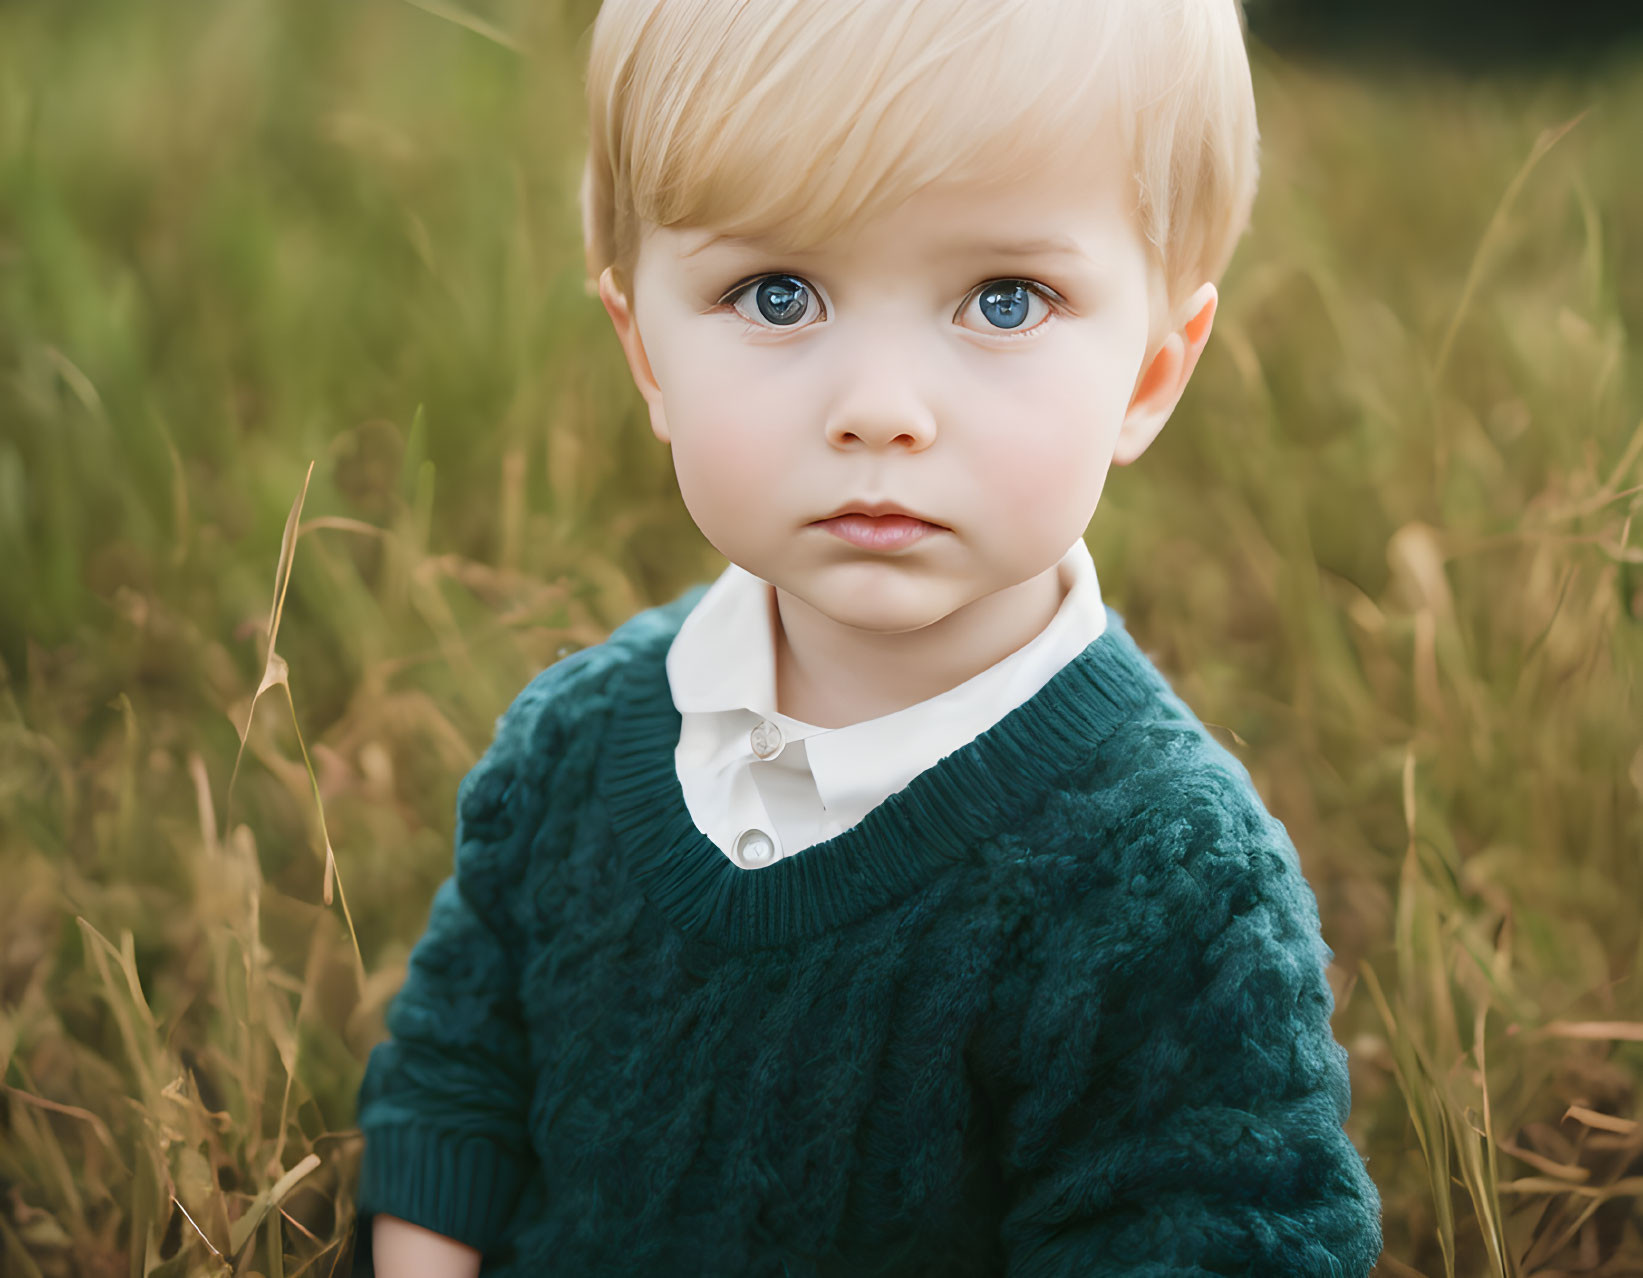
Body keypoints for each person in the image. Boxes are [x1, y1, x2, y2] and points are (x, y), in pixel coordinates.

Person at [350, 0, 1386, 1274]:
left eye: (1004, 301)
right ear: (646, 356)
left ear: (1150, 375)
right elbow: (454, 1091)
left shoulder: (1169, 884)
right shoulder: (570, 747)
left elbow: (1213, 1231)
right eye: (775, 293)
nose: (880, 410)